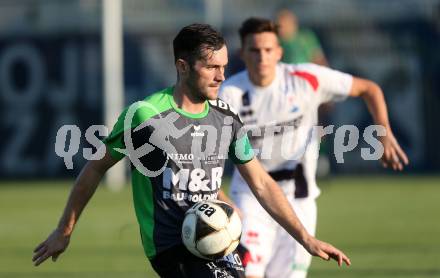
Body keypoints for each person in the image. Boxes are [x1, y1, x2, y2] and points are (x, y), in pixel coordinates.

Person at [32, 23, 350, 278]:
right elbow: (95, 168)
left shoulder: (225, 116)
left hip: (219, 237)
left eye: (224, 66)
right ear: (183, 66)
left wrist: (306, 238)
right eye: (211, 67)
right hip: (172, 245)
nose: (222, 76)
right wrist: (64, 231)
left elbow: (262, 184)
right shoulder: (145, 116)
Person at [219, 18, 408, 278]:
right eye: (254, 50)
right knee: (247, 273)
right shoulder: (229, 94)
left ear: (279, 52)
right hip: (251, 200)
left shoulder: (305, 79)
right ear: (243, 53)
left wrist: (384, 134)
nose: (262, 57)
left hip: (300, 201)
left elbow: (369, 89)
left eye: (268, 50)